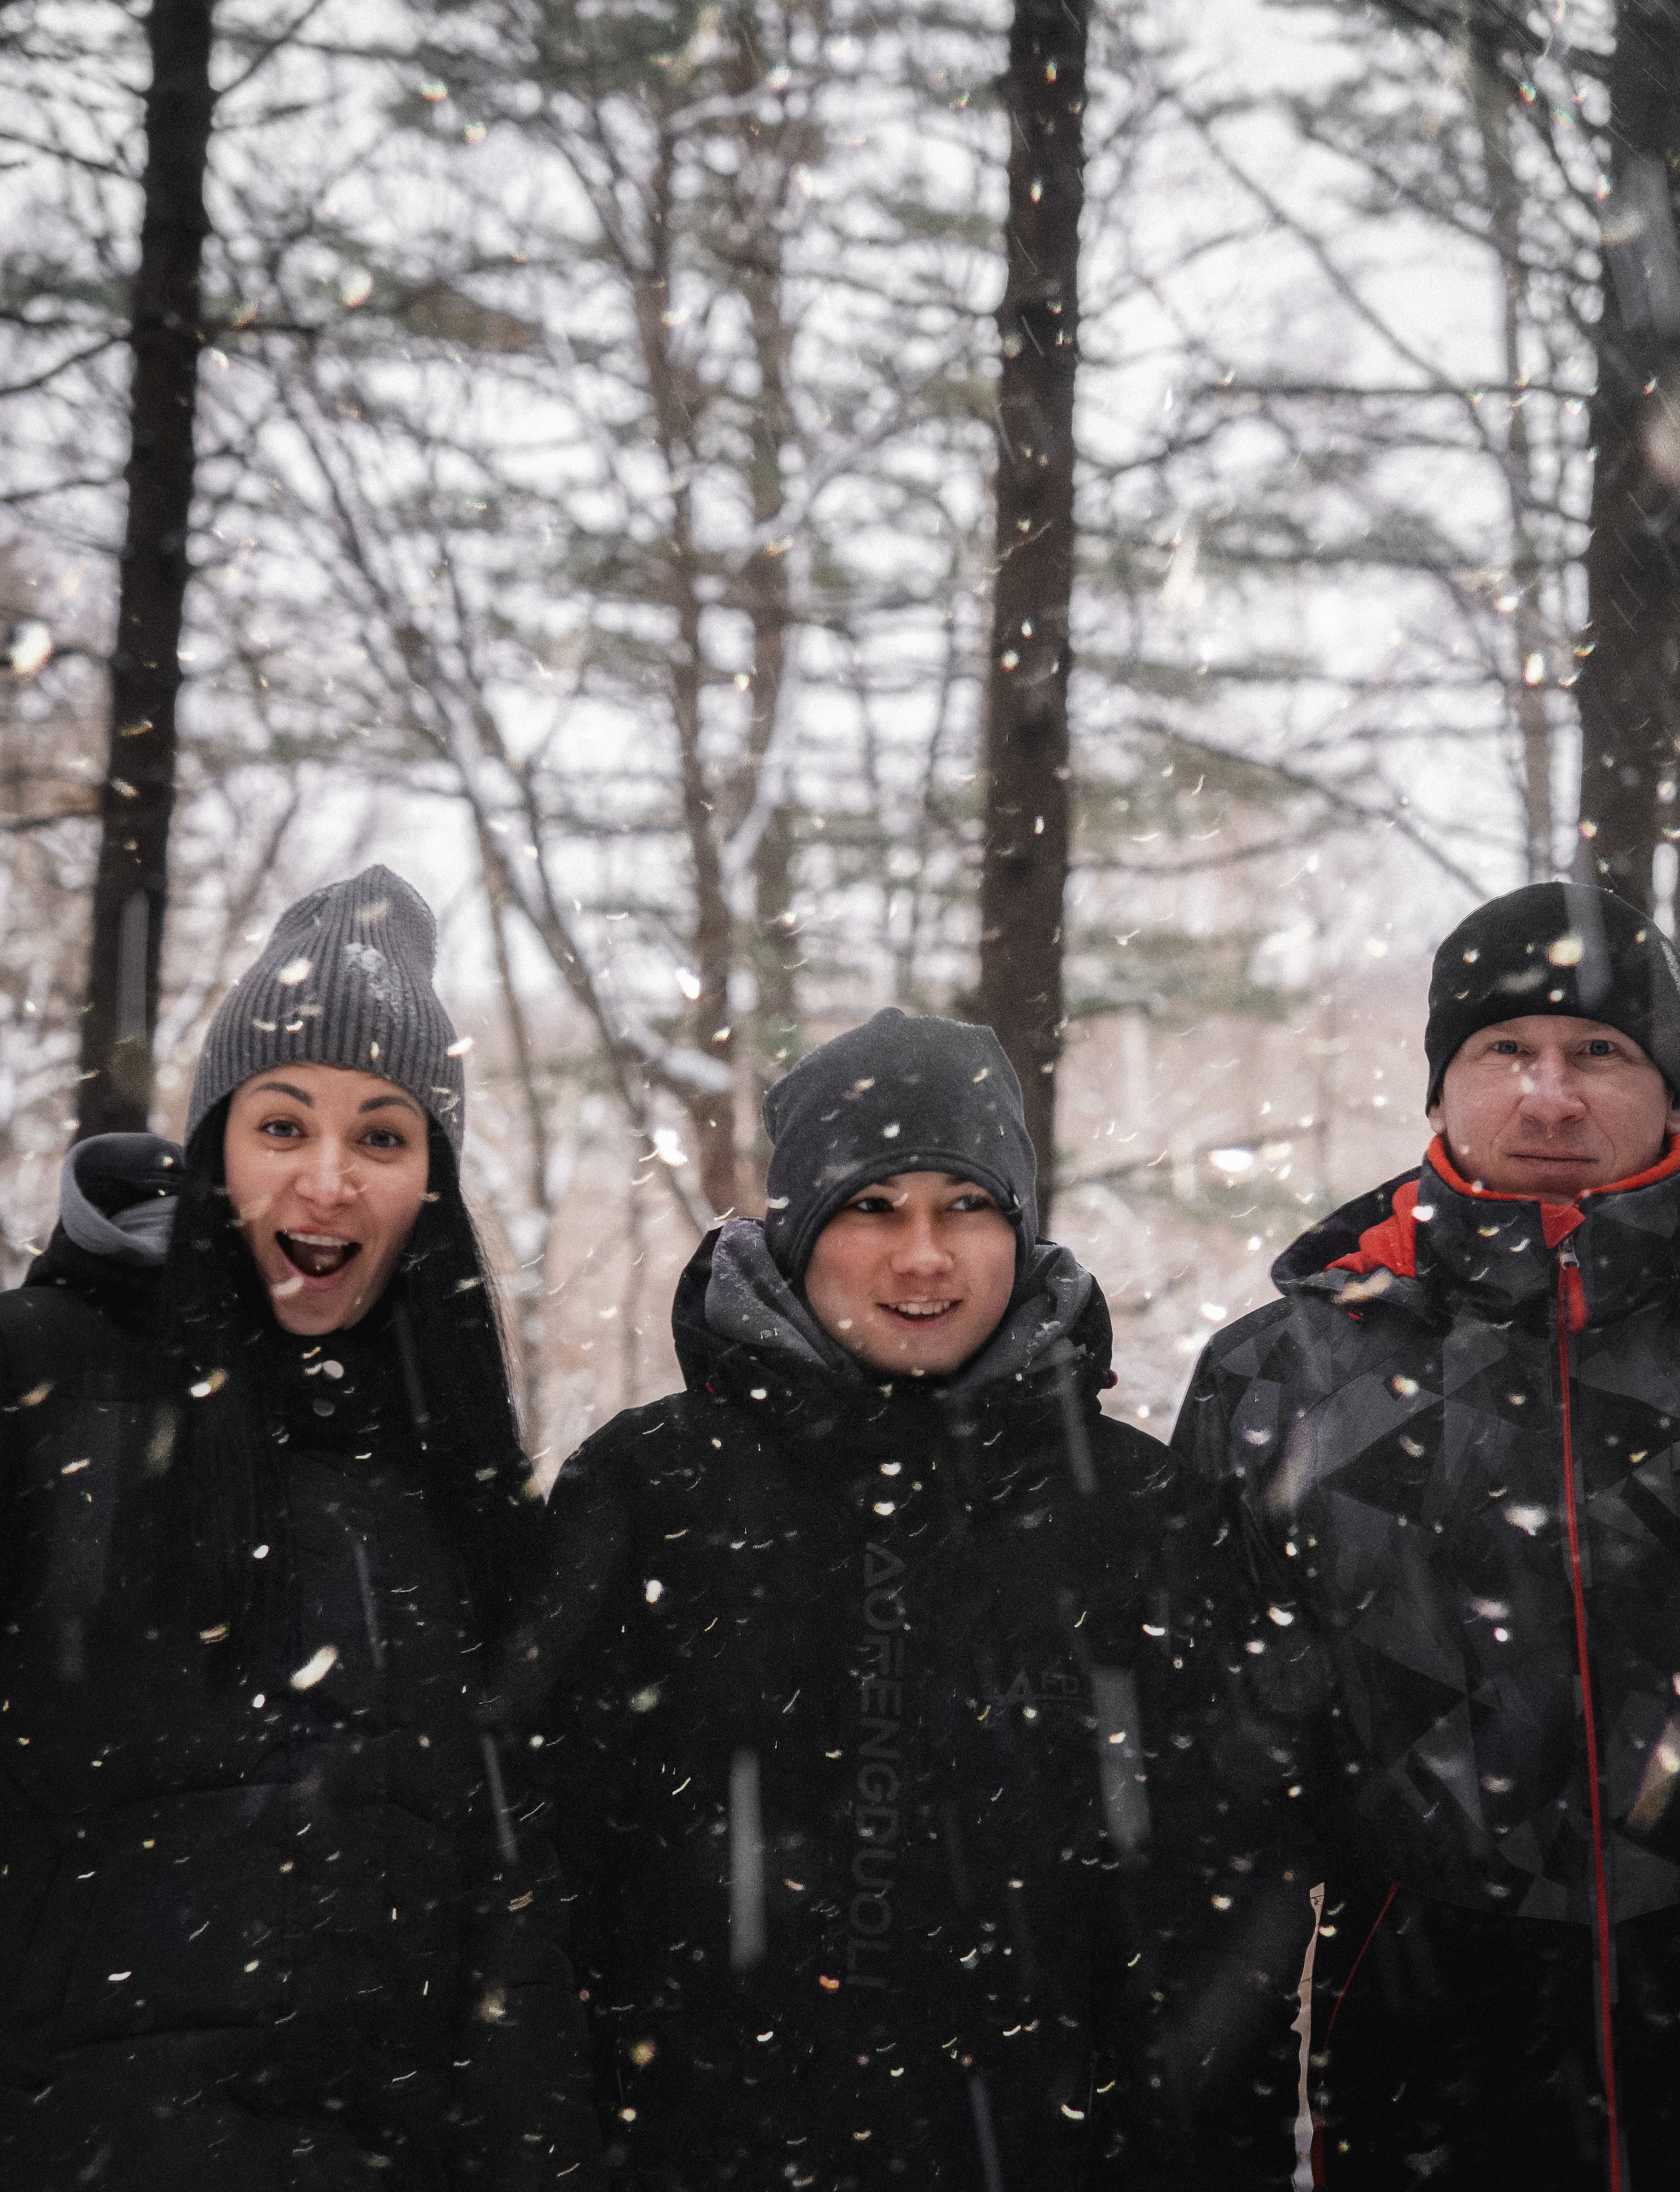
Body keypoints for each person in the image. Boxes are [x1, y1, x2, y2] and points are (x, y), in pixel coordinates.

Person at [536, 1009, 1217, 2189]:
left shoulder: (1131, 1508)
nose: (924, 1257)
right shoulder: (648, 1489)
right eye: (873, 1207)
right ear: (799, 1231)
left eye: (967, 1205)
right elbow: (547, 1892)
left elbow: (1214, 1924)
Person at [0, 866, 598, 2189]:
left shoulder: (457, 1497)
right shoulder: (44, 1383)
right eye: (282, 1126)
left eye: (382, 1137)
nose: (326, 1181)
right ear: (215, 1148)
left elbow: (510, 1929)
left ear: (429, 1184)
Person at [1167, 881, 1680, 2189]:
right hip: (1422, 2056)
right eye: (1502, 1049)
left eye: (1599, 1051)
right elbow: (1207, 1800)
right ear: (1436, 1091)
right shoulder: (1280, 1376)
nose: (1548, 1093)